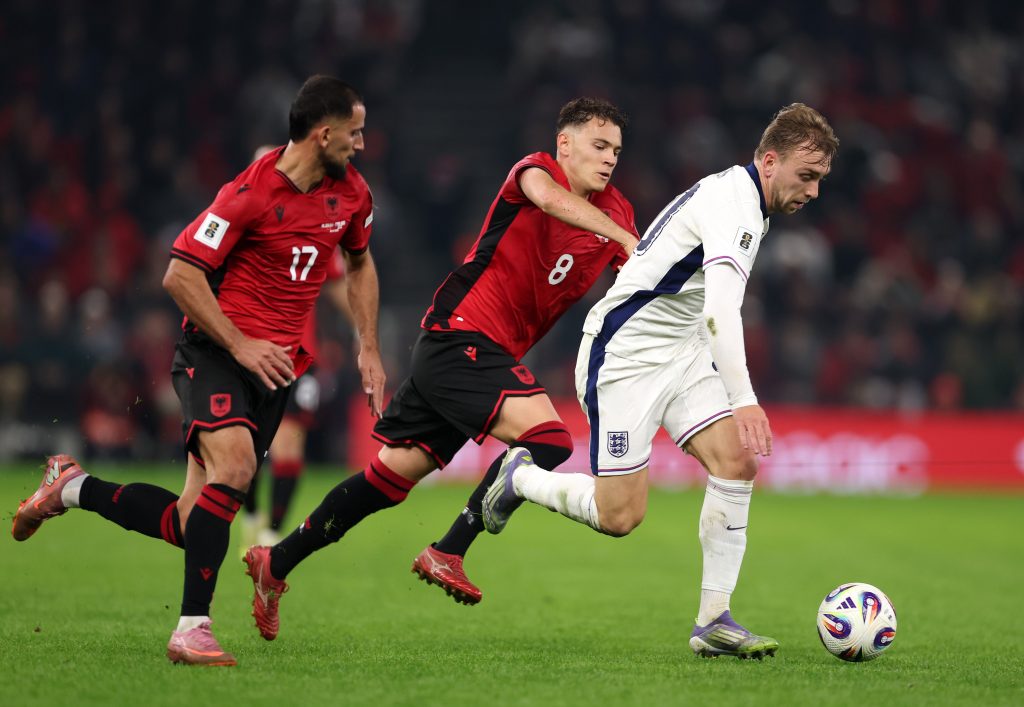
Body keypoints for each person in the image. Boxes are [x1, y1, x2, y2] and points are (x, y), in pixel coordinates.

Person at [11, 75, 384, 667]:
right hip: (215, 354)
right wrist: (238, 344)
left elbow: (360, 265)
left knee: (193, 523)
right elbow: (179, 274)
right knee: (235, 467)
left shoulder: (353, 193)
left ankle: (71, 487)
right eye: (356, 132)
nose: (362, 144)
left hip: (276, 369)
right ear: (324, 133)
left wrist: (368, 346)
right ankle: (192, 628)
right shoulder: (248, 193)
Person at [242, 97, 640, 639]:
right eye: (599, 145)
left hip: (478, 355)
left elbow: (638, 285)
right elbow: (549, 201)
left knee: (387, 479)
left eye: (617, 149)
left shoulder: (619, 212)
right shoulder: (535, 172)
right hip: (460, 335)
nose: (610, 158)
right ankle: (449, 549)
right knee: (548, 438)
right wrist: (619, 237)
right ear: (564, 144)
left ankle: (276, 563)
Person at [482, 103, 839, 659]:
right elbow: (722, 307)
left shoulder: (749, 201)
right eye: (807, 176)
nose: (814, 192)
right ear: (770, 161)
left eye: (820, 180)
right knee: (620, 516)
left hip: (683, 352)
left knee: (738, 462)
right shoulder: (736, 205)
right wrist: (744, 399)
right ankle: (520, 478)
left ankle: (713, 620)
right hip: (624, 357)